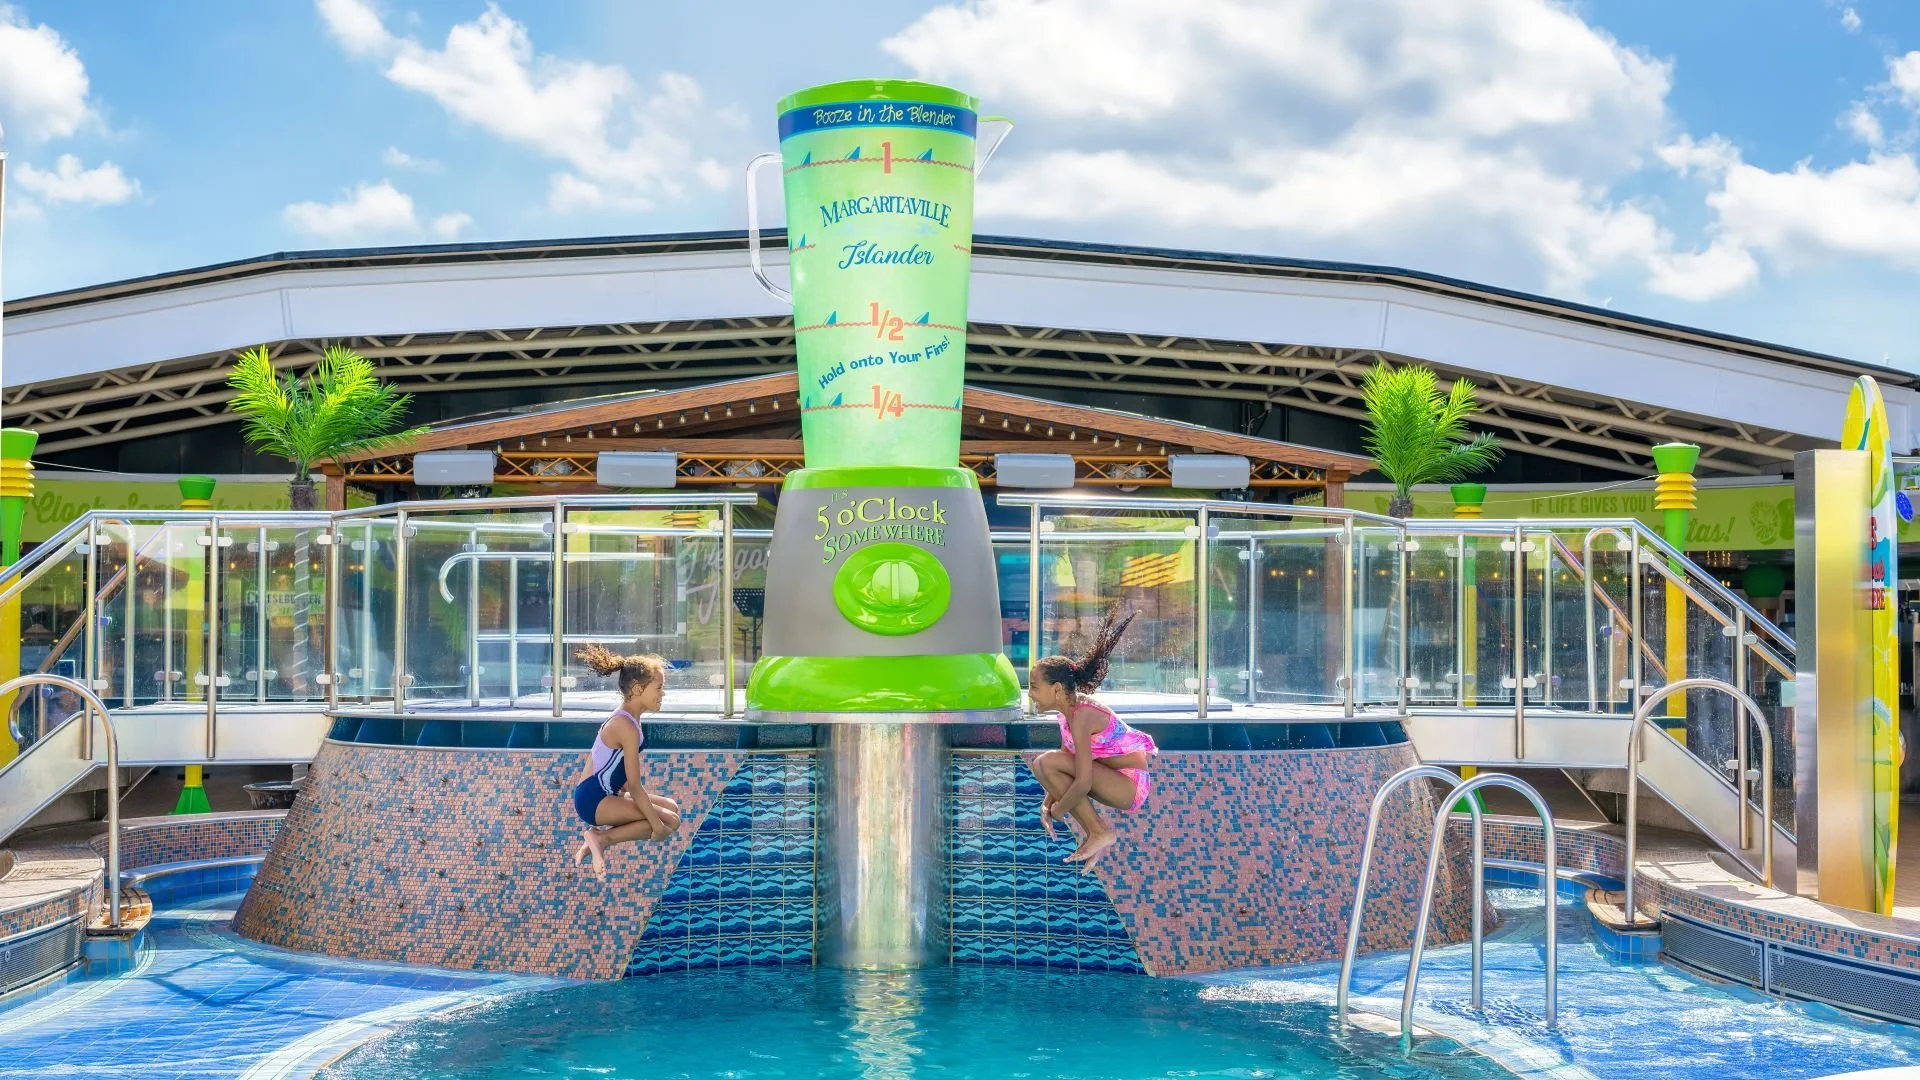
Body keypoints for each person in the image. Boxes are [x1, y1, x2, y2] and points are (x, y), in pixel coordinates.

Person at [1027, 606, 1155, 871]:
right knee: (1045, 764)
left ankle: (1098, 833)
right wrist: (1047, 804)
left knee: (1045, 762)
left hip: (1130, 785)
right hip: (1112, 779)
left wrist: (1060, 810)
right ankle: (1096, 834)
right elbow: (1064, 763)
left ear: (1057, 689)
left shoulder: (1083, 715)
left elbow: (1083, 780)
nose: (1030, 694)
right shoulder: (1066, 715)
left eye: (1034, 687)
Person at [570, 644, 681, 875]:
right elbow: (635, 785)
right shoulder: (625, 726)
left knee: (671, 808)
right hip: (593, 799)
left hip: (605, 793)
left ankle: (600, 838)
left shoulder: (630, 719)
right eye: (659, 687)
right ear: (638, 689)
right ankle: (600, 838)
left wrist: (623, 796)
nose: (663, 693)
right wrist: (657, 827)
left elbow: (616, 770)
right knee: (669, 822)